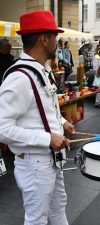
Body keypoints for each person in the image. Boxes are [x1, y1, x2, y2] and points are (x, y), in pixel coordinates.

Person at [0, 10, 75, 224]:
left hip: (50, 159)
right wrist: (48, 138)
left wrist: (62, 122)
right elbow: (2, 128)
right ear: (44, 39)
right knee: (37, 219)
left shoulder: (42, 70)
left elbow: (45, 106)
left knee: (59, 207)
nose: (57, 42)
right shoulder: (19, 78)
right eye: (54, 36)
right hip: (35, 164)